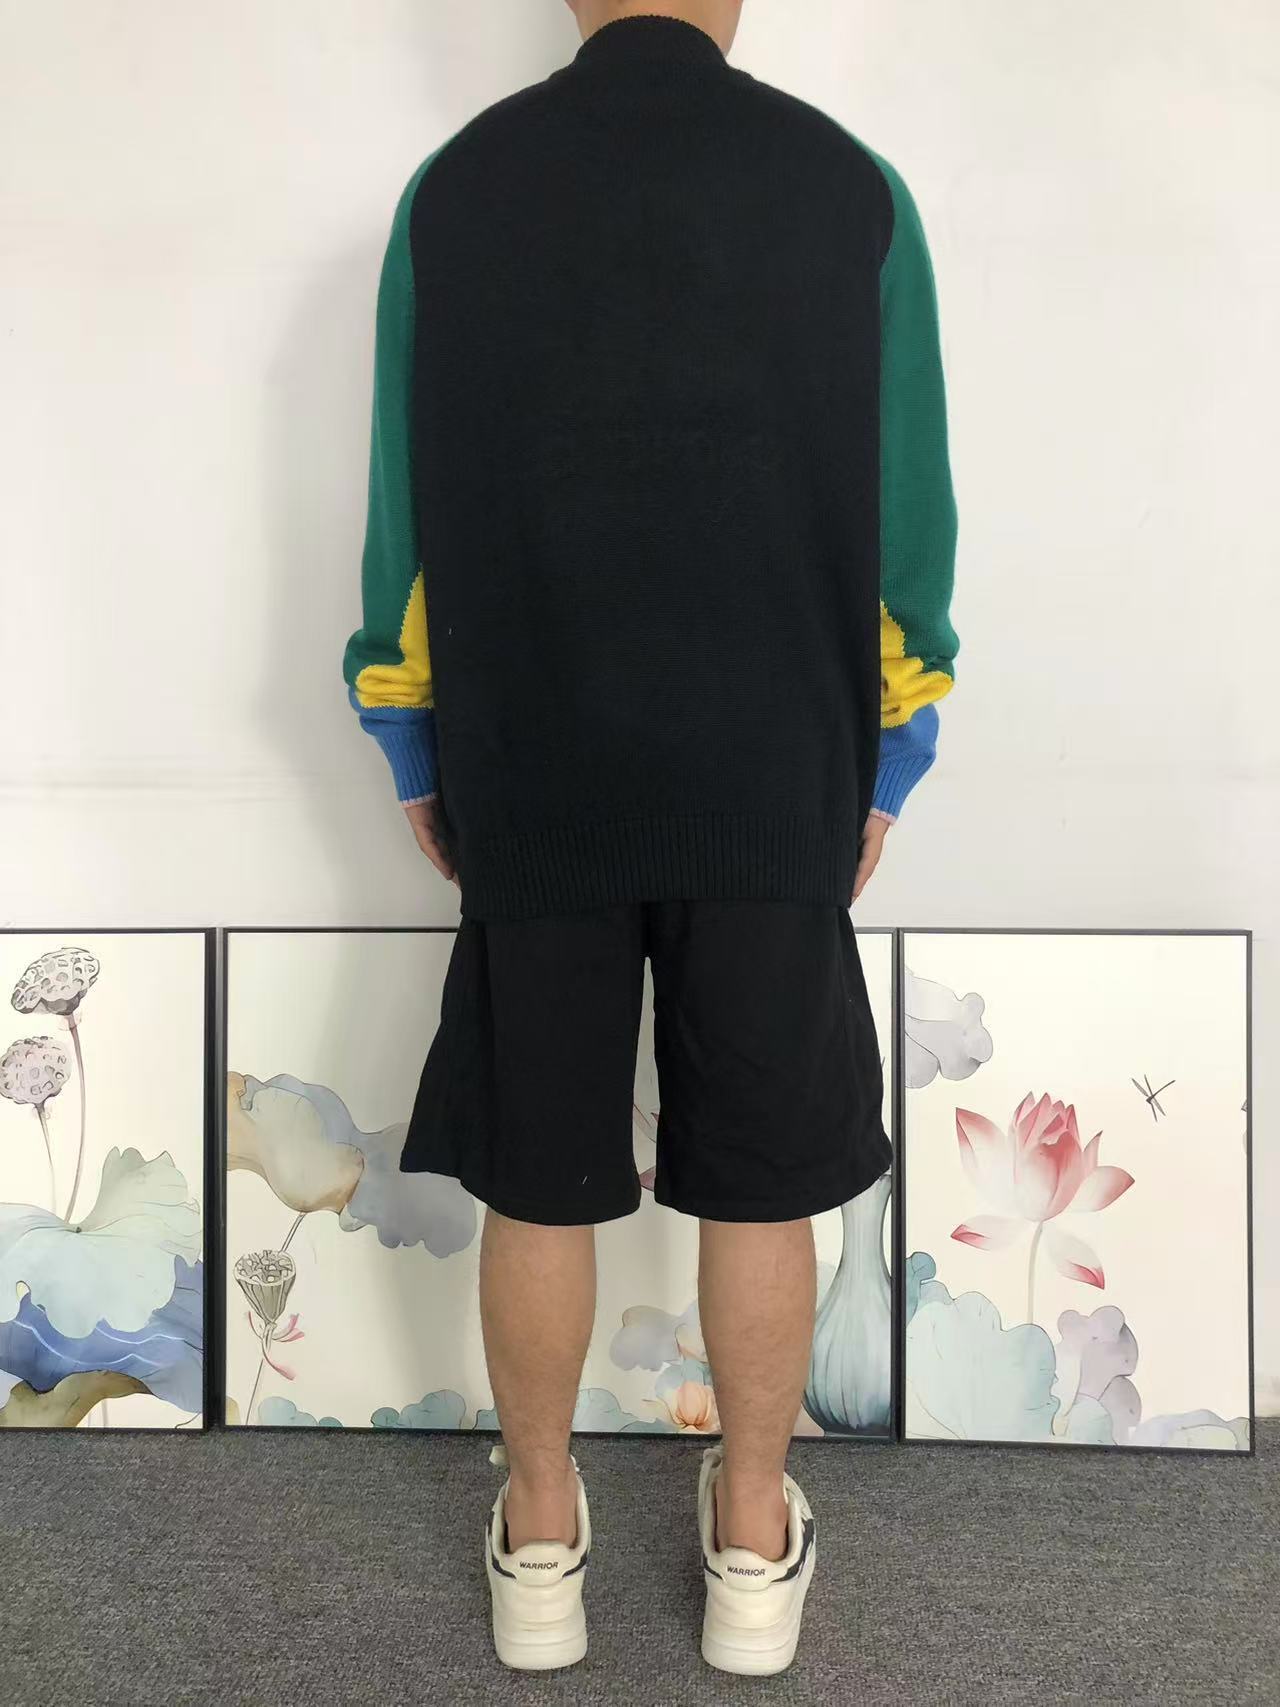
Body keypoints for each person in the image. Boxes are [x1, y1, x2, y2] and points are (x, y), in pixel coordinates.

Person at [341, 0, 958, 1677]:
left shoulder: (457, 191)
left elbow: (408, 505)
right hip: (776, 764)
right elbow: (907, 518)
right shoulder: (850, 188)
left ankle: (541, 1546)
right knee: (762, 1178)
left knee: (542, 1175)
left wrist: (411, 727)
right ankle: (752, 1549)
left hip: (536, 756)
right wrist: (891, 751)